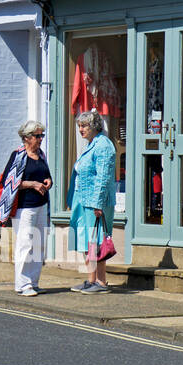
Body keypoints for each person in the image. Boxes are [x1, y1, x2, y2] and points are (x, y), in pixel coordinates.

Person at [68, 110, 117, 293]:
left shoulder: (104, 145)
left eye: (84, 126)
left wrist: (98, 203)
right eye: (79, 126)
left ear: (94, 125)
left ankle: (101, 282)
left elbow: (104, 177)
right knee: (86, 240)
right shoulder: (90, 144)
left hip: (96, 202)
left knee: (96, 241)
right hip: (83, 200)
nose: (80, 129)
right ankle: (91, 280)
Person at [3, 120, 52, 297]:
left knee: (38, 245)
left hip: (41, 205)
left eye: (42, 135)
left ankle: (34, 282)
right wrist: (32, 184)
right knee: (25, 244)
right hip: (25, 207)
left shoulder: (41, 155)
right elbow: (7, 182)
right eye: (37, 136)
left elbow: (46, 175)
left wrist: (48, 181)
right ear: (26, 138)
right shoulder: (18, 155)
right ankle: (22, 284)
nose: (40, 139)